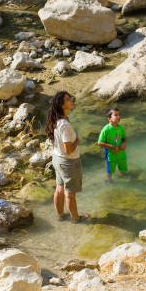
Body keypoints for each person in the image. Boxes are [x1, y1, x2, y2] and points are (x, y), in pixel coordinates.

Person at [45, 91, 89, 224]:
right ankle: (76, 218)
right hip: (68, 162)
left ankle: (60, 215)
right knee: (70, 193)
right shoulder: (64, 124)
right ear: (61, 104)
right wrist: (78, 141)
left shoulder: (57, 120)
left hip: (57, 159)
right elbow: (68, 150)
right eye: (68, 99)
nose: (71, 101)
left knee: (59, 188)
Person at [97, 108, 128, 183]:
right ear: (109, 118)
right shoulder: (106, 129)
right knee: (110, 169)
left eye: (119, 115)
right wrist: (113, 147)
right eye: (116, 115)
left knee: (123, 167)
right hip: (111, 154)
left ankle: (124, 179)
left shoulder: (121, 127)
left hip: (121, 152)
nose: (118, 117)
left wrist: (124, 144)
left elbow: (124, 138)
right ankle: (108, 180)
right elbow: (100, 142)